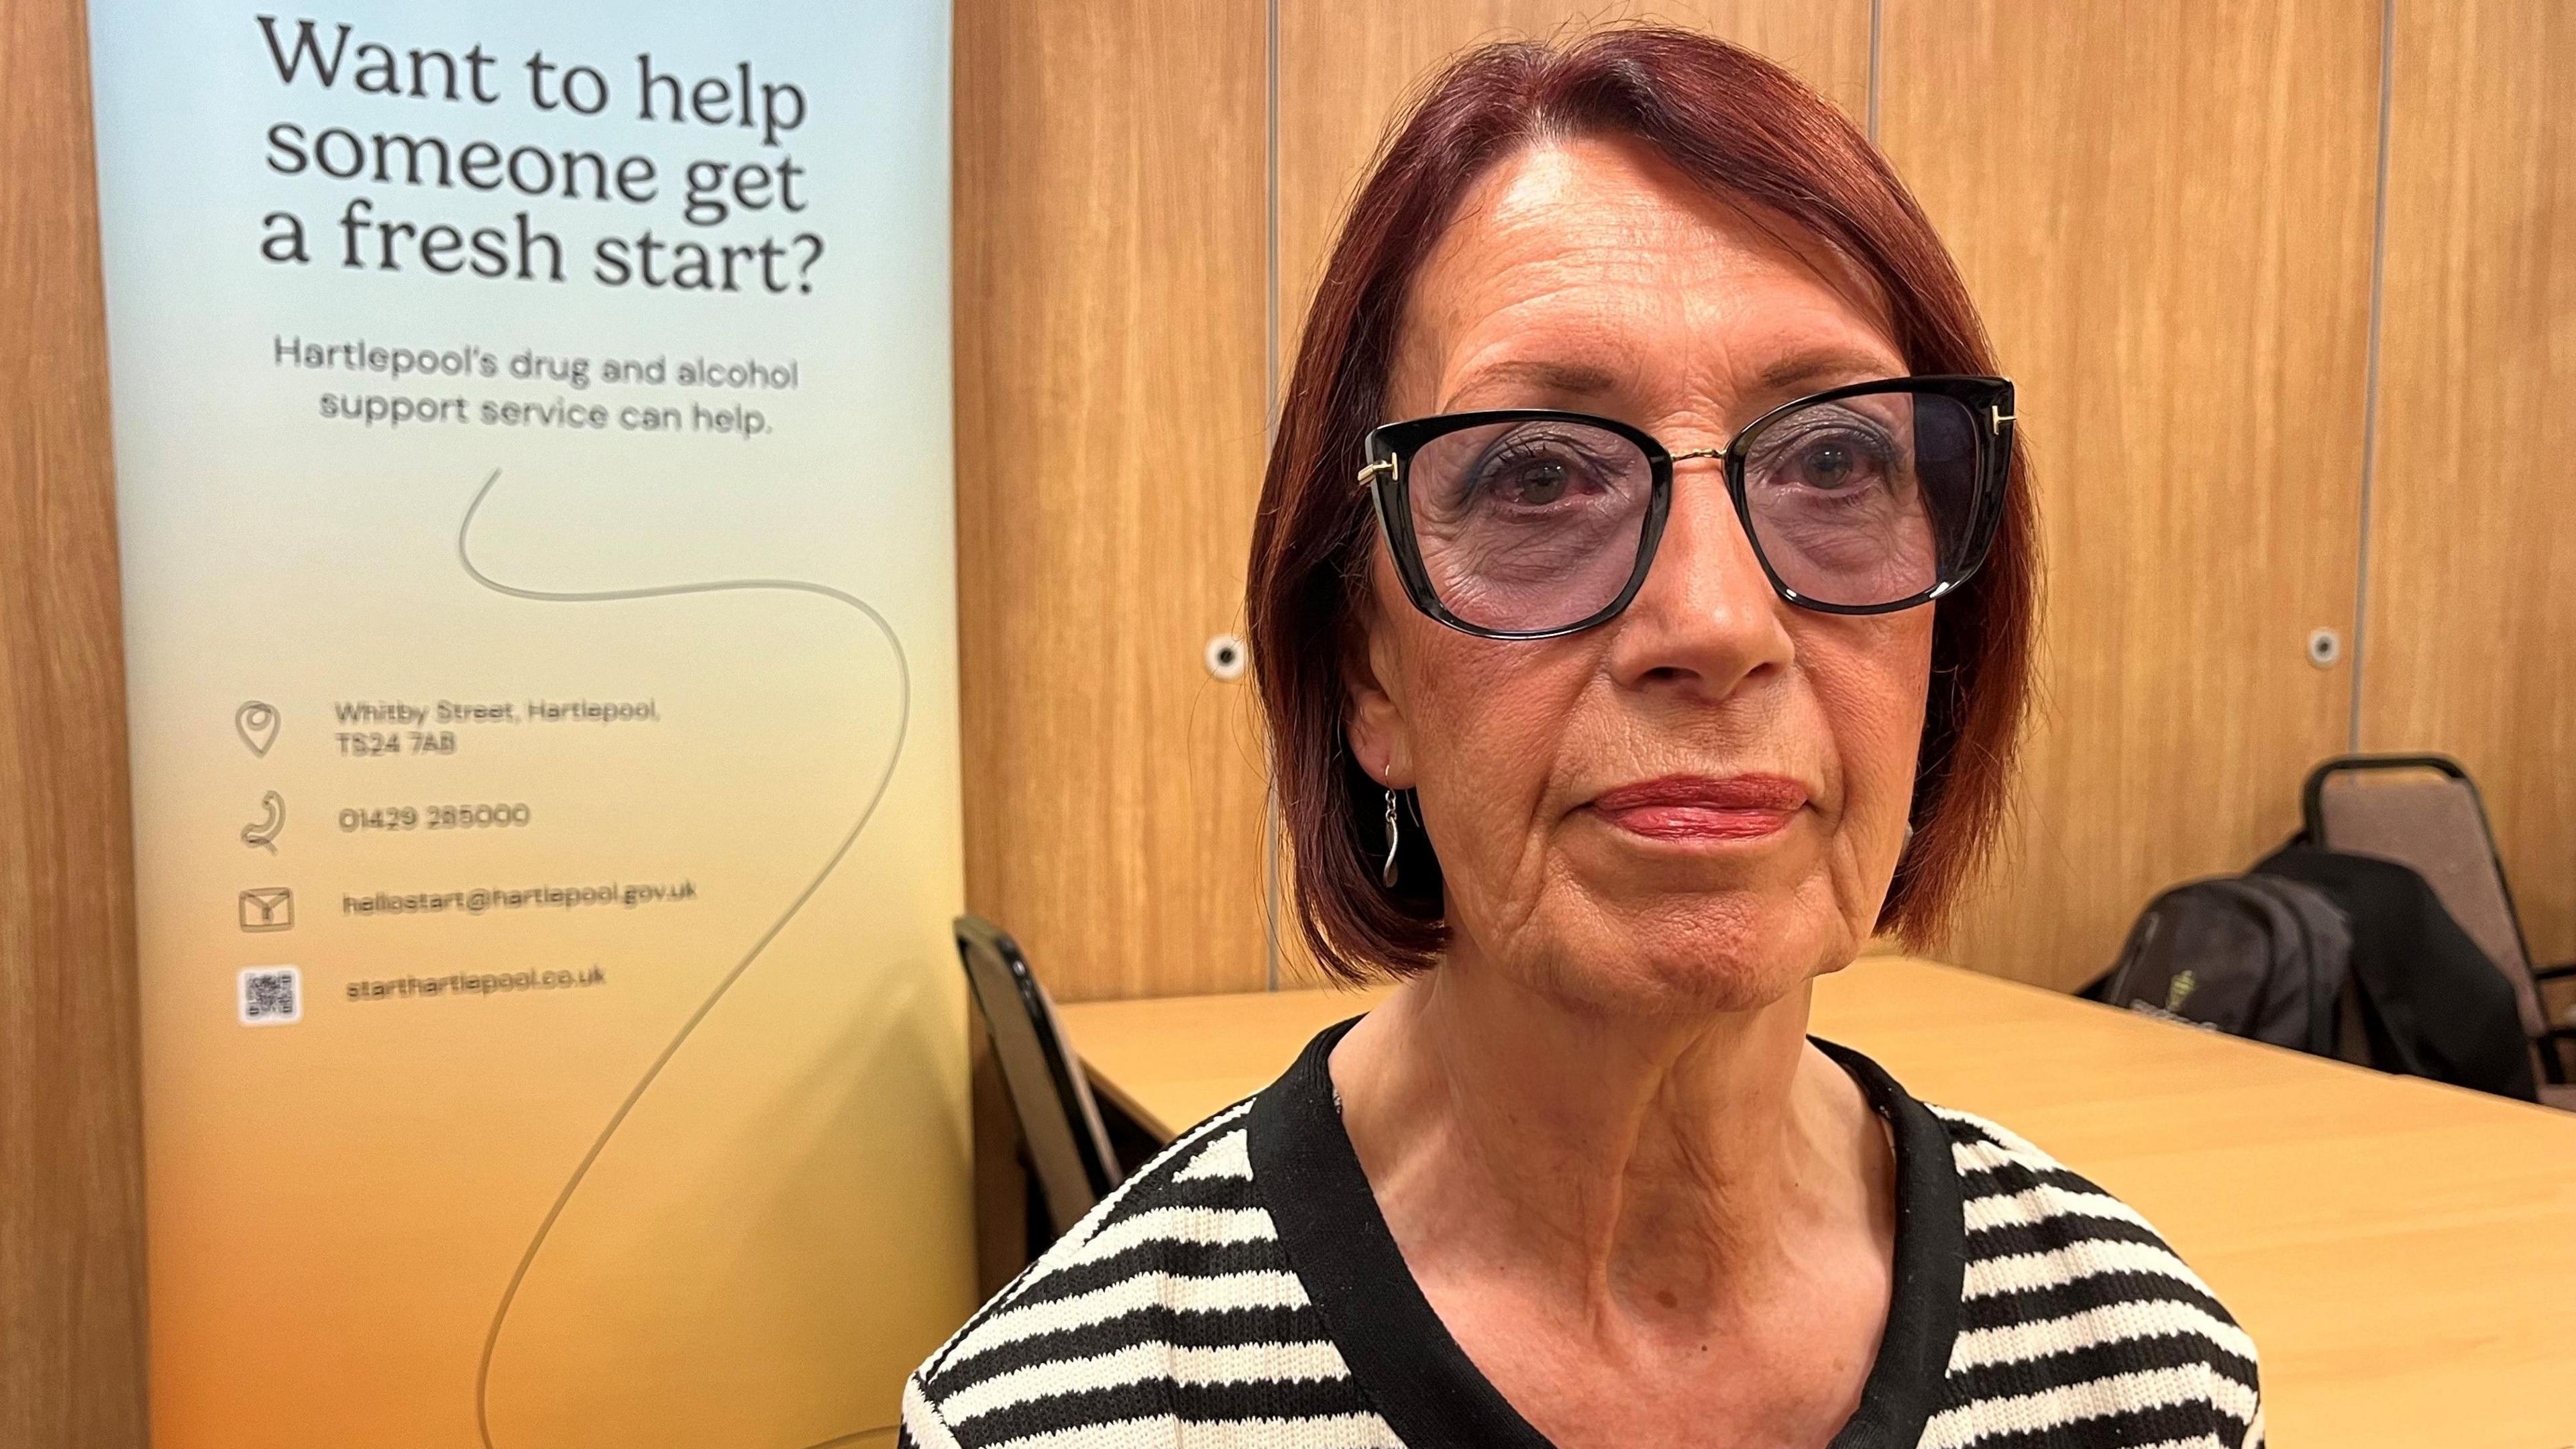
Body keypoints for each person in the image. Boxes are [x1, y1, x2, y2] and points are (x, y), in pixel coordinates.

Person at [904, 27, 2259, 1449]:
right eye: (1539, 475)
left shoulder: (2146, 1375)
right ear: (1370, 669)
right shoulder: (1053, 1421)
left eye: (1837, 461)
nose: (1719, 619)